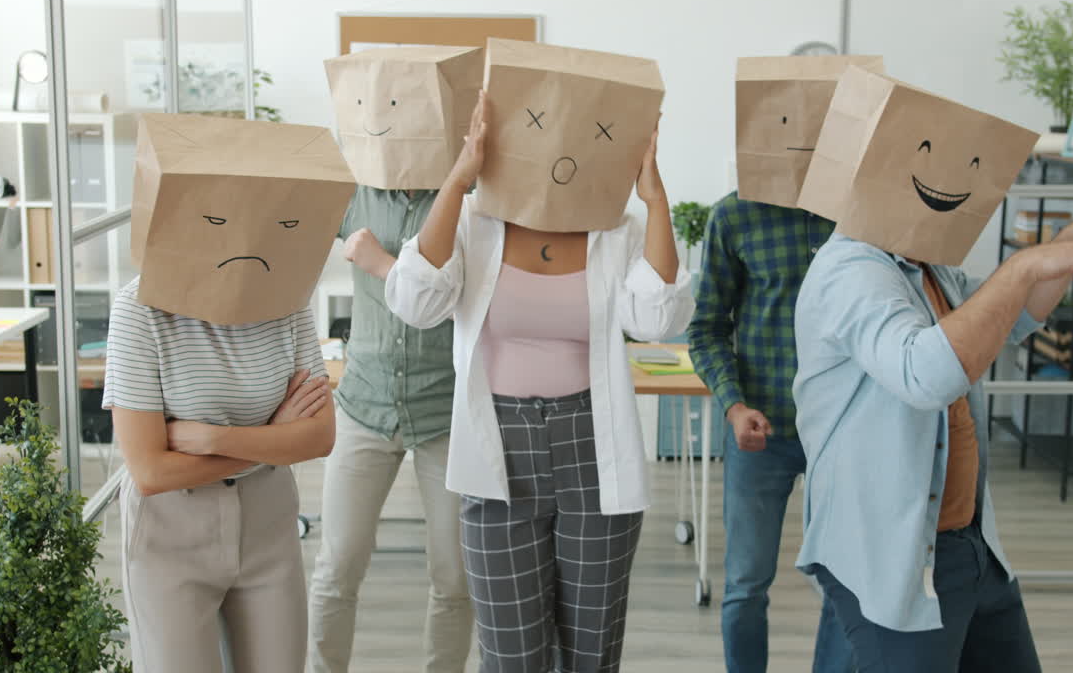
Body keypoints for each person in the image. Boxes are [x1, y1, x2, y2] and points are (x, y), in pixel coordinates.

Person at [385, 91, 694, 671]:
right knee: (511, 655)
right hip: (497, 450)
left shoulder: (617, 229)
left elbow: (656, 320)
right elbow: (414, 301)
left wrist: (655, 202)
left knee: (591, 652)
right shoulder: (474, 222)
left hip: (592, 449)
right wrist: (456, 181)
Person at [793, 211, 1073, 672]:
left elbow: (1006, 318)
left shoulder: (925, 266)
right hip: (896, 556)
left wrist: (1063, 253)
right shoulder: (850, 269)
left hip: (968, 543)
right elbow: (924, 375)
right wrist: (1024, 265)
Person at [105, 280, 334, 673]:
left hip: (269, 520)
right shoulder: (139, 309)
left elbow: (319, 437)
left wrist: (215, 439)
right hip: (170, 527)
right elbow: (150, 472)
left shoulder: (287, 295)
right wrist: (271, 438)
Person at [305, 184, 475, 673]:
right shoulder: (354, 191)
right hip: (363, 404)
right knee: (336, 567)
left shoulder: (467, 197)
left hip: (444, 410)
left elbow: (462, 292)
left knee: (454, 576)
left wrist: (383, 261)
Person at [687, 190, 852, 672]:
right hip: (760, 432)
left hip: (845, 431)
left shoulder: (860, 206)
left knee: (847, 581)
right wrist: (733, 405)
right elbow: (707, 327)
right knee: (745, 585)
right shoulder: (733, 215)